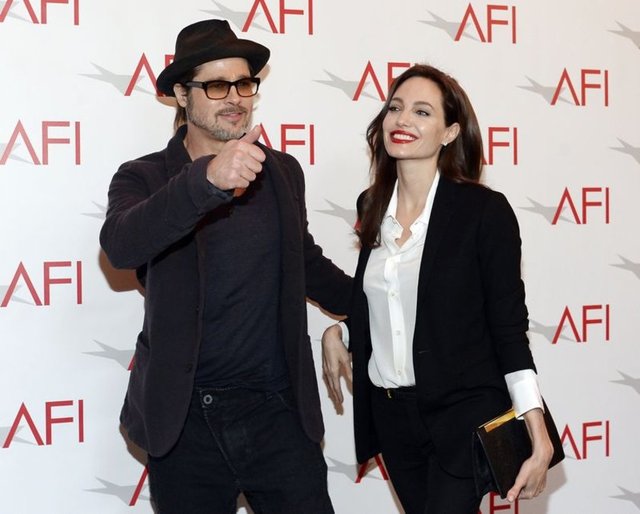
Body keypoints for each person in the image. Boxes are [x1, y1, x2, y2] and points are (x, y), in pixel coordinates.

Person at [100, 19, 352, 514]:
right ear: (181, 94)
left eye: (243, 84)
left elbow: (304, 261)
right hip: (185, 422)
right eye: (216, 86)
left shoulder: (281, 171)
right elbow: (122, 246)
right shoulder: (144, 176)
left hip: (278, 412)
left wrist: (368, 307)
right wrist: (207, 181)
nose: (234, 97)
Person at [321, 64, 554, 514]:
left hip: (462, 415)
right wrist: (342, 331)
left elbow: (508, 329)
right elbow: (390, 302)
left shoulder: (483, 211)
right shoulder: (372, 206)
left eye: (422, 112)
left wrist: (536, 428)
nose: (403, 120)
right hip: (393, 418)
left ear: (450, 132)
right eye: (395, 108)